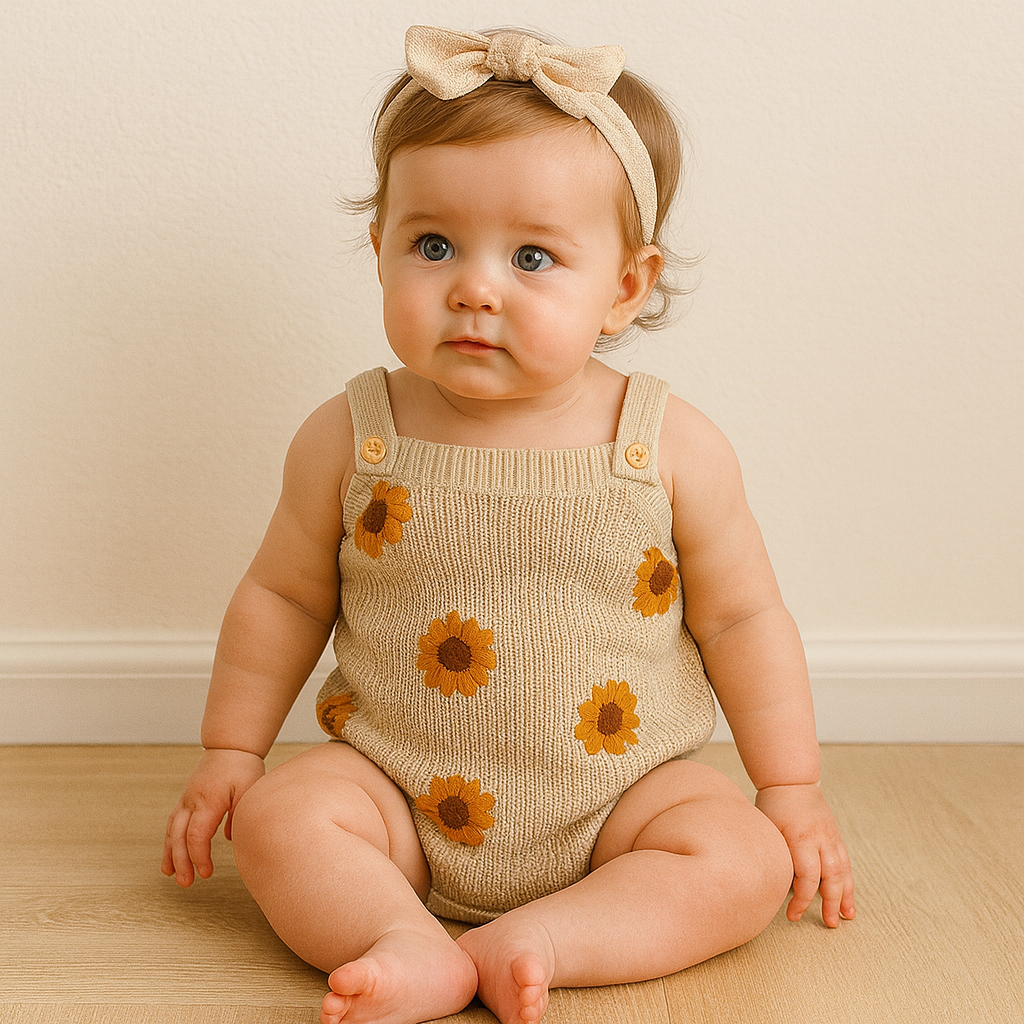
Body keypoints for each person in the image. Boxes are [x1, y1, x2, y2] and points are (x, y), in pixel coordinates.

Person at [162, 25, 855, 1024]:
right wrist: (232, 749)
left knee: (738, 857)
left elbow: (743, 620)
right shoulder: (353, 436)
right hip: (399, 796)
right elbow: (282, 594)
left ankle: (546, 938)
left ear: (624, 286)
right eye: (432, 245)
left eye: (533, 256)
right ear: (380, 247)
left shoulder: (666, 446)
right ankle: (401, 937)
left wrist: (787, 786)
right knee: (279, 818)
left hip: (621, 804)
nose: (474, 287)